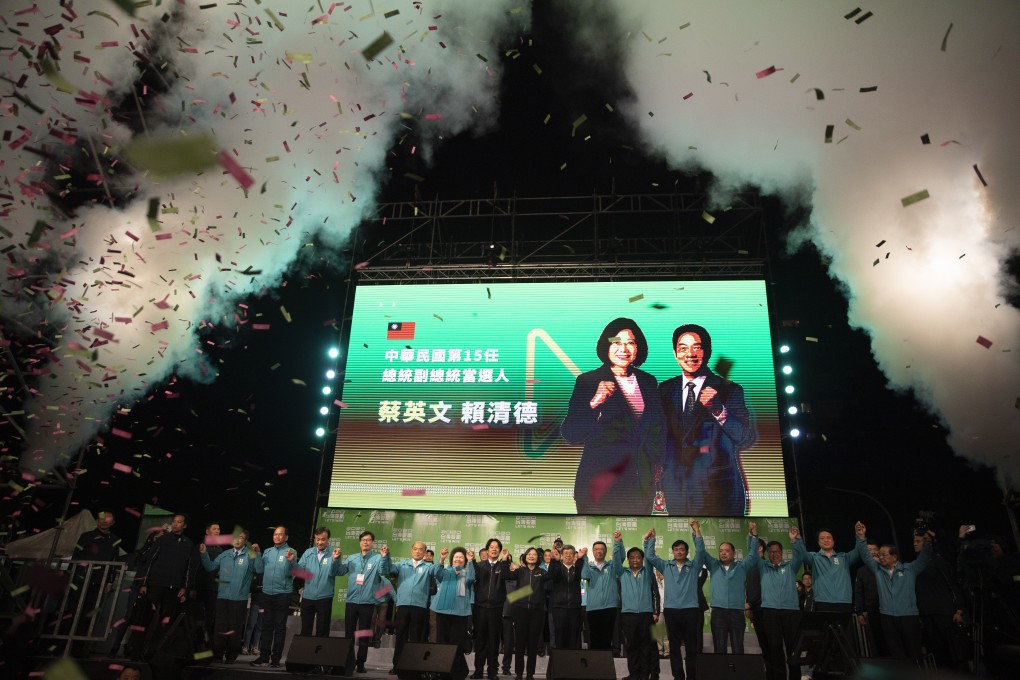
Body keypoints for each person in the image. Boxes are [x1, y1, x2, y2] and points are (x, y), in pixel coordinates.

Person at [562, 317, 665, 515]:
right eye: (616, 342)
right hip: (598, 485)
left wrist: (658, 467)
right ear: (605, 346)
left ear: (638, 348)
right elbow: (571, 433)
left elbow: (658, 428)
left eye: (630, 343)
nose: (623, 348)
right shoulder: (588, 381)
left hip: (639, 486)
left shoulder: (648, 382)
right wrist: (594, 402)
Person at [659, 324, 757, 516]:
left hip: (718, 488)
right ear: (675, 353)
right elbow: (659, 437)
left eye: (697, 347)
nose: (690, 354)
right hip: (677, 489)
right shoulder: (664, 390)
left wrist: (718, 409)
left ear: (707, 351)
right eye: (683, 348)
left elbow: (745, 438)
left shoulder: (730, 389)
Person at [854, 521, 932, 661]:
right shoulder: (878, 571)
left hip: (909, 617)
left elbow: (924, 558)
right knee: (896, 654)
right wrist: (861, 537)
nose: (879, 557)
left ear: (894, 557)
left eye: (883, 555)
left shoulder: (910, 569)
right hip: (887, 618)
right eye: (879, 555)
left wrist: (926, 541)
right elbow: (865, 555)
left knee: (914, 653)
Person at [644, 524, 704, 680]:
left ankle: (692, 675)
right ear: (673, 551)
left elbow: (701, 551)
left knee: (692, 647)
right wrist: (652, 539)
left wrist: (697, 532)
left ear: (686, 552)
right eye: (676, 549)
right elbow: (650, 557)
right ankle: (678, 676)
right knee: (674, 647)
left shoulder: (694, 566)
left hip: (691, 610)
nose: (679, 552)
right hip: (671, 610)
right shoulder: (666, 566)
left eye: (682, 549)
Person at [745, 523, 803, 680]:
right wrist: (752, 536)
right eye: (771, 552)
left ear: (782, 553)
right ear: (767, 553)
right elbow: (752, 554)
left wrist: (795, 540)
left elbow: (800, 555)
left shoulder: (791, 567)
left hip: (791, 612)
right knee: (775, 649)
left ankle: (795, 677)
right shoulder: (763, 566)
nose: (774, 554)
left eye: (777, 552)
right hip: (770, 612)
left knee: (793, 648)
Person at [199, 529, 263, 663]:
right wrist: (204, 554)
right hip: (222, 596)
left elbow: (259, 569)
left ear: (245, 541)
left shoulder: (249, 555)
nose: (237, 540)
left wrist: (257, 554)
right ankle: (217, 654)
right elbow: (210, 567)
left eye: (240, 537)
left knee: (234, 627)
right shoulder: (224, 555)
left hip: (239, 598)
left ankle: (231, 656)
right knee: (220, 627)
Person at [692, 519, 752, 653]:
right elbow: (701, 552)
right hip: (718, 613)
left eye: (727, 550)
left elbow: (753, 555)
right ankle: (721, 674)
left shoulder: (741, 567)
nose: (723, 553)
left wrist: (752, 537)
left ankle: (737, 674)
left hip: (737, 612)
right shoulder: (713, 565)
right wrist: (696, 532)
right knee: (719, 648)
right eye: (721, 551)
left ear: (734, 553)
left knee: (738, 648)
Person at [336, 531, 392, 673]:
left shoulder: (378, 558)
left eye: (368, 540)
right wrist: (336, 559)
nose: (366, 542)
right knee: (348, 634)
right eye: (363, 540)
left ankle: (361, 663)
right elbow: (340, 571)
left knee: (364, 634)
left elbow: (384, 571)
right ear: (360, 542)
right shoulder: (352, 558)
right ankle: (347, 662)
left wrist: (385, 557)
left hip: (367, 602)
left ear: (372, 543)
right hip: (351, 601)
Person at [913, 532, 965, 669]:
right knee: (937, 650)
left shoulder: (937, 560)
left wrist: (959, 609)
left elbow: (951, 584)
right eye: (914, 541)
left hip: (944, 612)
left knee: (953, 648)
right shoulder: (914, 565)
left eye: (918, 541)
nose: (914, 543)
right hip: (927, 614)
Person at [389, 541, 443, 671]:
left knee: (416, 637)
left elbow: (437, 572)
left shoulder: (428, 566)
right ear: (411, 550)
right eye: (415, 549)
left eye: (421, 549)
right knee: (401, 636)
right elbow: (388, 569)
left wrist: (441, 559)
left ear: (425, 553)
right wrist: (386, 556)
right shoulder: (402, 564)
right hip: (402, 606)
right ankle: (397, 665)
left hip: (419, 606)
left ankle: (414, 666)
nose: (418, 551)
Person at [138, 514, 198, 625]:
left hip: (174, 588)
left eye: (179, 522)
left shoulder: (188, 543)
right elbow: (150, 561)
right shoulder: (162, 539)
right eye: (174, 521)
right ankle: (138, 642)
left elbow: (189, 567)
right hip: (156, 584)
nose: (175, 524)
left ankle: (159, 641)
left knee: (166, 620)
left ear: (184, 525)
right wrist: (144, 583)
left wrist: (185, 587)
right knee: (146, 617)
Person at [615, 530, 659, 680]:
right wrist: (618, 542)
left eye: (638, 557)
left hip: (646, 614)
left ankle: (645, 674)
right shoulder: (622, 573)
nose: (635, 560)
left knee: (646, 647)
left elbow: (649, 558)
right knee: (632, 647)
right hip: (628, 615)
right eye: (632, 557)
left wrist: (649, 541)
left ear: (642, 559)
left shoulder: (647, 572)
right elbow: (616, 560)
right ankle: (634, 674)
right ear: (627, 560)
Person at [250, 526, 293, 668]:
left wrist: (290, 561)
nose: (277, 536)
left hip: (283, 594)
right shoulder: (267, 552)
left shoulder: (291, 552)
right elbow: (259, 569)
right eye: (275, 534)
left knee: (279, 627)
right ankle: (264, 657)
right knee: (266, 626)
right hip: (267, 593)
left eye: (281, 534)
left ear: (286, 537)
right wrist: (257, 554)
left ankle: (275, 659)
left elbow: (290, 573)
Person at [791, 528, 860, 613]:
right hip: (822, 601)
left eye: (828, 537)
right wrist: (797, 539)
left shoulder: (844, 557)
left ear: (833, 541)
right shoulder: (814, 557)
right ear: (818, 542)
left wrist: (860, 536)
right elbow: (802, 553)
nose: (826, 540)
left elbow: (858, 552)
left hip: (844, 602)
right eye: (822, 538)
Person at [290, 527, 343, 637]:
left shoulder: (334, 553)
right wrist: (292, 562)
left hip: (325, 597)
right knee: (305, 629)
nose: (320, 542)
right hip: (308, 596)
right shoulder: (308, 553)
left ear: (328, 540)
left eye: (323, 539)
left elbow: (334, 572)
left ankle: (321, 654)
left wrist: (334, 560)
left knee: (322, 630)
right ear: (315, 538)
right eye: (317, 539)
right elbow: (300, 572)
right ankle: (305, 653)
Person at [506, 548, 550, 680]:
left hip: (537, 612)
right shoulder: (519, 572)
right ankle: (519, 674)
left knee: (533, 644)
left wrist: (555, 560)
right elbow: (505, 575)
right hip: (520, 611)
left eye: (534, 555)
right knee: (519, 643)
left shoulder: (542, 572)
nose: (531, 556)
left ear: (538, 558)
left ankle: (530, 674)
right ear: (525, 557)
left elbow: (554, 575)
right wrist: (505, 561)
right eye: (529, 554)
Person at [472, 538, 513, 680]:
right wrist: (471, 561)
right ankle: (478, 671)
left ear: (500, 550)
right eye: (491, 547)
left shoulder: (503, 566)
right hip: (480, 608)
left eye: (497, 547)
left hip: (496, 609)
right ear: (487, 550)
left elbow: (509, 576)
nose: (494, 549)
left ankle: (492, 672)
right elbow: (474, 577)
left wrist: (506, 561)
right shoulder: (480, 565)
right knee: (480, 641)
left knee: (494, 641)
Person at [580, 539, 623, 651]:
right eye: (596, 549)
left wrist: (618, 543)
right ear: (593, 552)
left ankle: (606, 665)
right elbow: (584, 575)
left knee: (607, 639)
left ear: (605, 551)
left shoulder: (612, 567)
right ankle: (595, 666)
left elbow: (620, 558)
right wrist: (584, 558)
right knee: (594, 640)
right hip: (593, 608)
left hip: (610, 607)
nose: (599, 551)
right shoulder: (589, 566)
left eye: (601, 549)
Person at [432, 547, 476, 658]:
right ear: (452, 559)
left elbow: (471, 578)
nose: (458, 559)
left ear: (464, 560)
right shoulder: (446, 572)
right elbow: (436, 572)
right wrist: (441, 558)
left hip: (460, 612)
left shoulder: (466, 573)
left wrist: (470, 561)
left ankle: (454, 667)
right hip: (443, 610)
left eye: (461, 557)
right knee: (442, 639)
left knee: (457, 641)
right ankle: (441, 667)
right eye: (456, 557)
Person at [547, 544, 586, 649]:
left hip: (575, 608)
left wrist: (581, 559)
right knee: (559, 637)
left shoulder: (577, 569)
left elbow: (579, 575)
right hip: (559, 608)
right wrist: (556, 561)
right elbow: (552, 576)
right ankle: (560, 663)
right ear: (562, 555)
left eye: (570, 553)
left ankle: (572, 663)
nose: (568, 555)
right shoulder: (558, 568)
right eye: (565, 553)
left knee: (574, 638)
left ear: (574, 555)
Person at [196, 522, 223, 643]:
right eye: (214, 529)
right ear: (207, 532)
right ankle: (196, 643)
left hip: (214, 588)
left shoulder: (220, 549)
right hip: (201, 587)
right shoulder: (201, 546)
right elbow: (194, 568)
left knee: (210, 617)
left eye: (218, 529)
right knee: (198, 618)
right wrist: (191, 587)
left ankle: (206, 645)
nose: (217, 531)